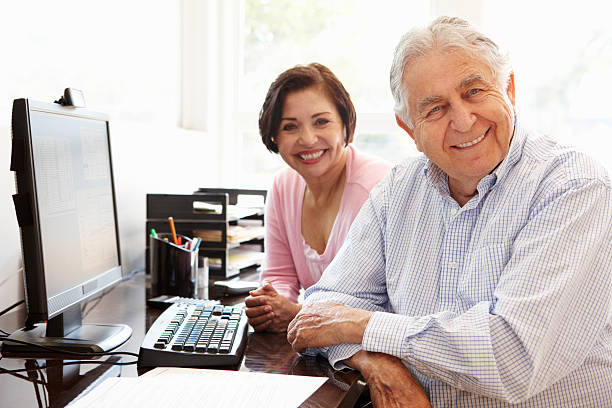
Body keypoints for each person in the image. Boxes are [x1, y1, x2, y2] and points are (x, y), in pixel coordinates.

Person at [287, 17, 612, 407]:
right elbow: (321, 310)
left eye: (474, 91)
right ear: (409, 129)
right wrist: (375, 361)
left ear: (508, 88)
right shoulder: (397, 190)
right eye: (435, 109)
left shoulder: (573, 186)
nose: (462, 120)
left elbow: (511, 357)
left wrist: (362, 324)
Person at [245, 63, 391, 333]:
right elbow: (279, 275)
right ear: (274, 136)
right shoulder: (282, 186)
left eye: (321, 122)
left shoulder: (376, 186)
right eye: (290, 127)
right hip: (322, 346)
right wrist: (269, 305)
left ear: (345, 124)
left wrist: (295, 314)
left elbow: (373, 305)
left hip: (375, 348)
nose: (308, 139)